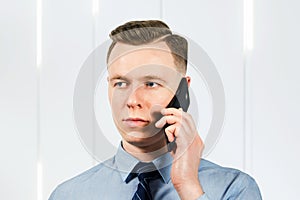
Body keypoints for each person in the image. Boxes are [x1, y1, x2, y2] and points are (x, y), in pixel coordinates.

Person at [49, 20, 262, 200]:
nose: (132, 100)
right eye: (120, 83)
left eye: (151, 84)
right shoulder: (67, 195)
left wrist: (188, 186)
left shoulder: (234, 189)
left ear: (182, 91)